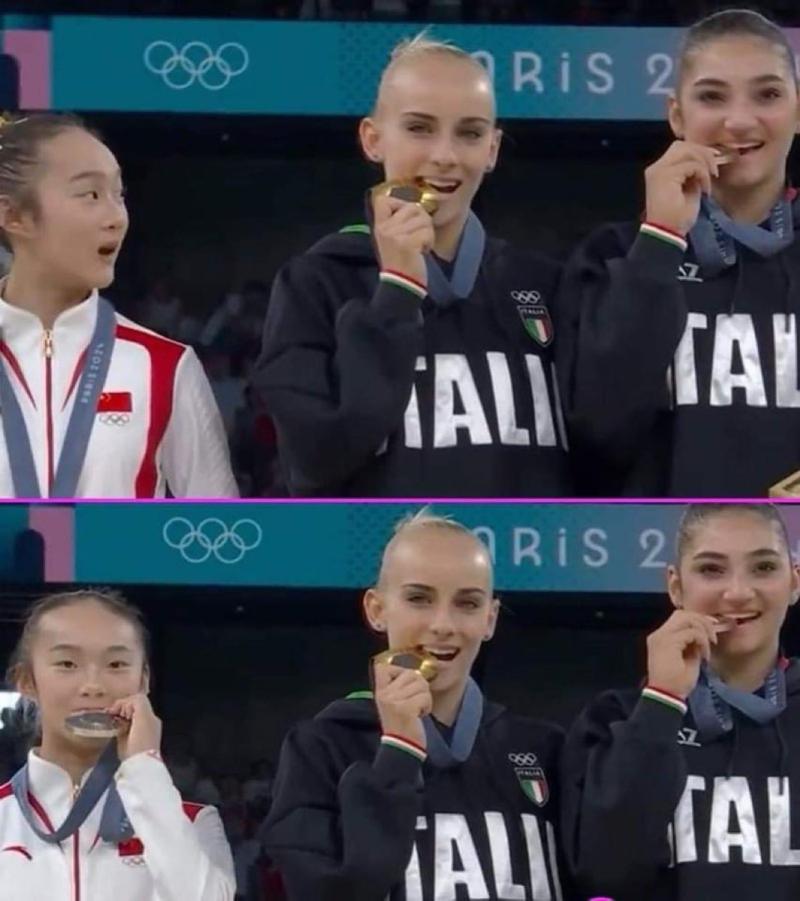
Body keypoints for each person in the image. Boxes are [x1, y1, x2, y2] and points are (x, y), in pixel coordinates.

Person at [254, 36, 569, 497]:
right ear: (373, 139)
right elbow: (313, 464)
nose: (445, 155)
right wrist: (397, 293)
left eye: (470, 132)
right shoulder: (316, 283)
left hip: (520, 564)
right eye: (420, 128)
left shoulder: (541, 283)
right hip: (388, 564)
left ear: (493, 149)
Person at [263, 511, 567, 900]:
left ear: (490, 619)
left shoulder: (544, 747)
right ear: (376, 609)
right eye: (419, 599)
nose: (443, 623)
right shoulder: (320, 749)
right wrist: (399, 752)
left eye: (468, 604)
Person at [560, 9, 800, 497]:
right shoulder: (613, 255)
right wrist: (661, 240)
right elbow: (598, 436)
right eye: (712, 96)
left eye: (768, 94)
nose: (738, 119)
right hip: (663, 558)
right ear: (676, 116)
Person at [562, 503, 800, 900]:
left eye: (763, 567)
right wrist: (662, 701)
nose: (739, 592)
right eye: (711, 569)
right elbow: (606, 875)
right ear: (675, 586)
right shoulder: (616, 718)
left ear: (794, 582)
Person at [0, 113, 237, 497]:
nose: (117, 218)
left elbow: (217, 535)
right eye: (91, 195)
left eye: (119, 195)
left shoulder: (165, 365)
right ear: (13, 215)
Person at [0, 588, 236, 900]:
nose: (94, 686)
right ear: (27, 682)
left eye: (116, 665)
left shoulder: (194, 822)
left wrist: (144, 768)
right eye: (67, 663)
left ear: (143, 681)